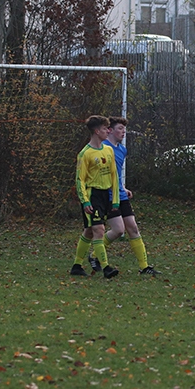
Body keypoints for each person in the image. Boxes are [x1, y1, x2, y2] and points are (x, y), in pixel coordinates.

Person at [87, 116, 161, 276]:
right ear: (110, 130)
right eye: (120, 128)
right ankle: (93, 256)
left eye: (124, 129)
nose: (123, 131)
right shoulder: (103, 147)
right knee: (118, 230)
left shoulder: (122, 149)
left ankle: (144, 267)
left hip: (120, 195)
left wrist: (123, 187)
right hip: (108, 196)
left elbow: (116, 173)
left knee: (133, 228)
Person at [70, 115, 120, 279]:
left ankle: (77, 265)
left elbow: (114, 175)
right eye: (105, 129)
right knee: (99, 230)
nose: (108, 131)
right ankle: (106, 267)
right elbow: (80, 179)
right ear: (97, 131)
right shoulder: (85, 154)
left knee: (89, 232)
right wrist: (85, 201)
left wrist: (115, 200)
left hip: (105, 195)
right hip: (92, 195)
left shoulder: (109, 150)